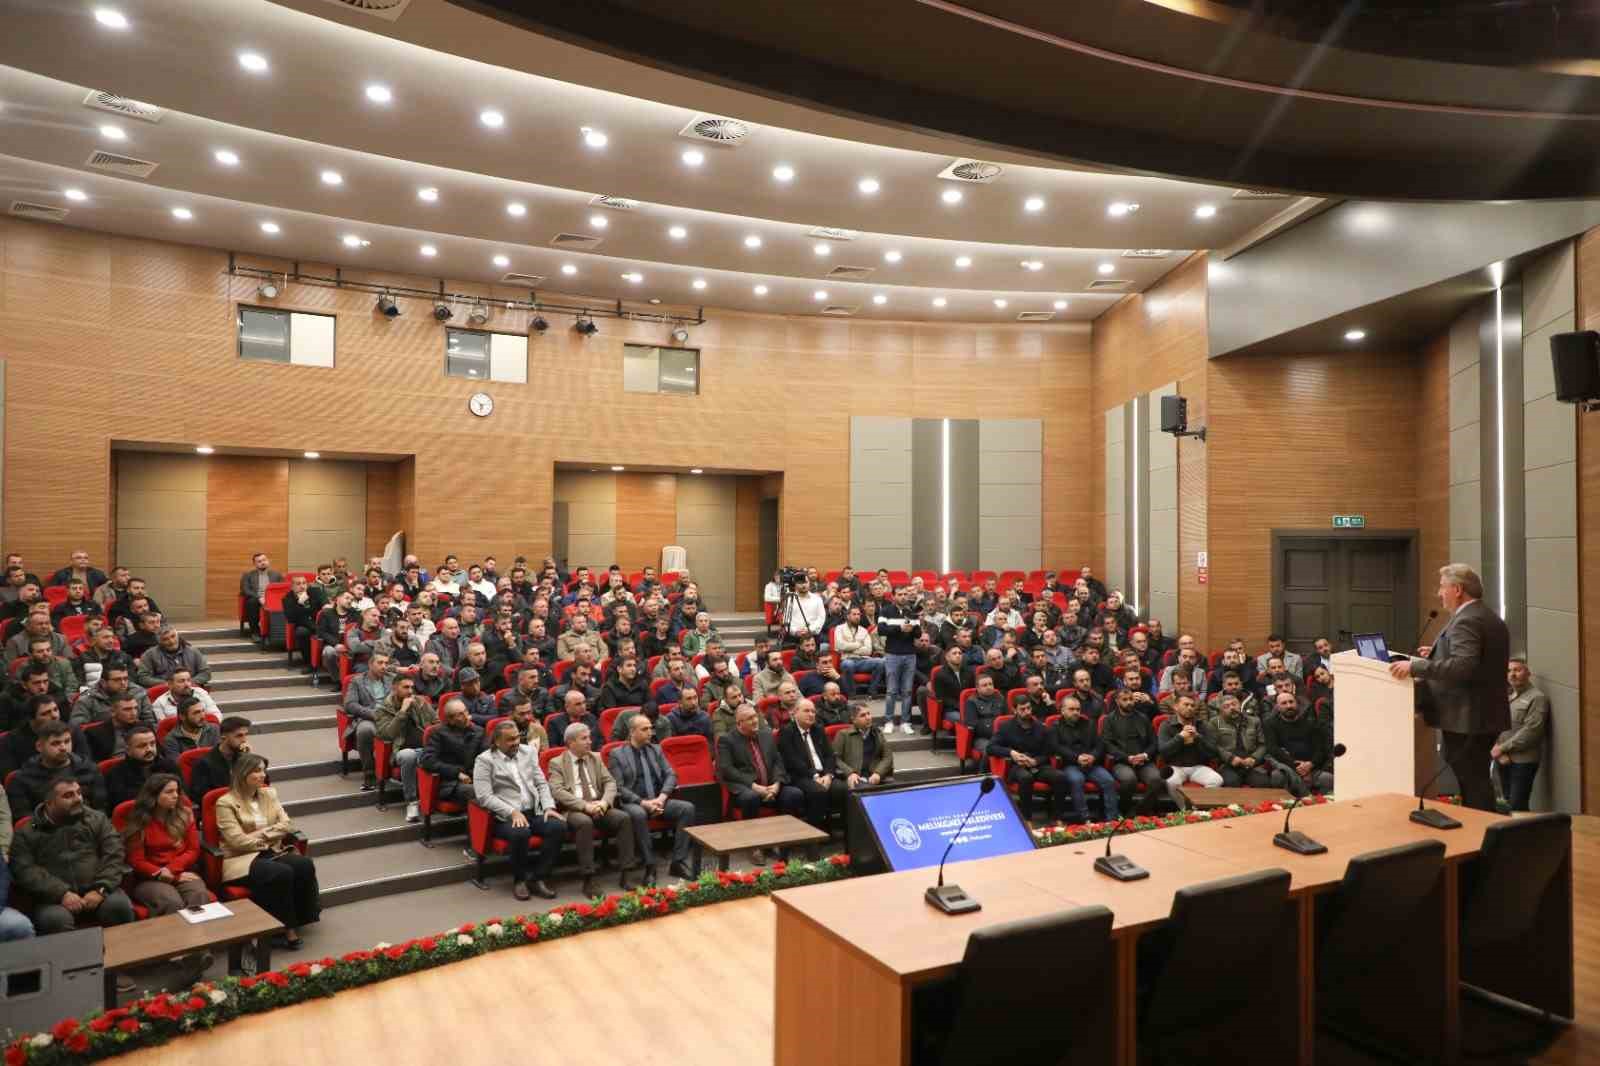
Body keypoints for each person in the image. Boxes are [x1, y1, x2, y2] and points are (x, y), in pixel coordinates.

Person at [1389, 564, 1511, 812]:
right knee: (1474, 779)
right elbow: (1477, 661)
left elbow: (1464, 666)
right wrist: (1436, 654)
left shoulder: (1467, 620)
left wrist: (1416, 666)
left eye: (1442, 587)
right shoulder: (1486, 615)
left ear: (1457, 589)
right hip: (1482, 714)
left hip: (1468, 717)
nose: (1439, 593)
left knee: (1473, 782)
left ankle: (1482, 832)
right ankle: (1481, 829)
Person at [214, 754, 319, 948]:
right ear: (242, 773)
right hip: (241, 858)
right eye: (257, 771)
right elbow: (237, 841)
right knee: (280, 872)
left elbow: (287, 825)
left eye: (263, 770)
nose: (262, 775)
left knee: (303, 864)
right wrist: (269, 836)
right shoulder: (225, 802)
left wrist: (258, 834)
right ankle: (284, 929)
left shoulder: (269, 794)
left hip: (271, 851)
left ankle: (301, 918)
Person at [10, 778, 134, 934]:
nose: (78, 799)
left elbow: (115, 854)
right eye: (68, 795)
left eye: (79, 793)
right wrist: (61, 893)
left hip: (99, 888)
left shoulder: (97, 819)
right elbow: (25, 870)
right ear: (49, 803)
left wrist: (100, 889)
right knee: (55, 920)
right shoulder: (27, 833)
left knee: (118, 906)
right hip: (53, 899)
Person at [473, 721, 567, 900]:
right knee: (520, 832)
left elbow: (541, 782)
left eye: (517, 737)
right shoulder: (485, 760)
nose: (516, 742)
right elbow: (484, 797)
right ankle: (520, 880)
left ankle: (539, 877)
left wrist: (548, 806)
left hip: (534, 811)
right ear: (497, 742)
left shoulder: (528, 752)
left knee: (558, 827)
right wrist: (512, 812)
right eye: (510, 739)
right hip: (505, 817)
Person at [547, 722, 636, 896]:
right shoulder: (557, 762)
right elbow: (557, 791)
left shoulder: (595, 757)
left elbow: (610, 782)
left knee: (623, 818)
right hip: (574, 809)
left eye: (589, 737)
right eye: (584, 738)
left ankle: (626, 873)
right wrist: (584, 806)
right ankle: (588, 878)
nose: (590, 741)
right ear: (571, 742)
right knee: (584, 822)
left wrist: (604, 803)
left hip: (598, 805)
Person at [609, 713, 699, 882]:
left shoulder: (656, 749)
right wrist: (643, 803)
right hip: (634, 802)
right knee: (639, 814)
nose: (650, 732)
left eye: (651, 728)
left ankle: (678, 862)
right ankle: (650, 864)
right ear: (632, 732)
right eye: (645, 729)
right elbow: (618, 787)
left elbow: (671, 774)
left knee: (687, 808)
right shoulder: (617, 754)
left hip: (658, 799)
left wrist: (662, 798)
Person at [716, 704, 803, 863]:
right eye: (750, 719)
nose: (755, 720)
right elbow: (727, 770)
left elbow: (777, 761)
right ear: (739, 723)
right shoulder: (727, 740)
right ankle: (754, 845)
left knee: (794, 794)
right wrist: (754, 786)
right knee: (751, 797)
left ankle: (782, 842)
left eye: (755, 716)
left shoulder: (766, 735)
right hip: (745, 788)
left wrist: (776, 784)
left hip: (770, 786)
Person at [120, 773, 208, 916]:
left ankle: (199, 930)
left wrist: (172, 871)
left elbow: (192, 850)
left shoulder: (184, 814)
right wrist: (162, 873)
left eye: (177, 791)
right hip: (150, 878)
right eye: (169, 792)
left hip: (180, 871)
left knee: (198, 894)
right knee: (172, 902)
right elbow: (137, 861)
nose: (176, 796)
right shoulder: (139, 821)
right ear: (153, 796)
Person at [989, 696, 1068, 823]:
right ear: (1014, 710)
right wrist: (1011, 753)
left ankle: (1057, 817)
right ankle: (1027, 819)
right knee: (1026, 778)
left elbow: (1049, 752)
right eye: (1023, 709)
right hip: (1016, 766)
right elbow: (991, 748)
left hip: (1038, 765)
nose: (1027, 712)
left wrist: (1036, 761)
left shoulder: (1041, 727)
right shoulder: (1006, 727)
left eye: (1029, 708)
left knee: (1060, 777)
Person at [776, 699, 848, 837]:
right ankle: (814, 835)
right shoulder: (786, 732)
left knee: (843, 788)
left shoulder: (818, 729)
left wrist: (828, 775)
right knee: (818, 791)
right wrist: (814, 776)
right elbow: (791, 760)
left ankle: (842, 832)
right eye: (806, 711)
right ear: (795, 713)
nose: (811, 714)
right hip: (801, 775)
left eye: (813, 711)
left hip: (823, 775)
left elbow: (829, 755)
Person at [375, 675, 438, 823]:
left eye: (412, 687)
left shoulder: (420, 702)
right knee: (409, 755)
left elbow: (437, 722)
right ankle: (412, 802)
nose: (410, 691)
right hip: (401, 752)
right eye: (406, 687)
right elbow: (387, 734)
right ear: (394, 688)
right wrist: (402, 711)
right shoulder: (382, 709)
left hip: (425, 748)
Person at [7, 721, 107, 814]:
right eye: (55, 743)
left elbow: (101, 809)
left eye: (67, 741)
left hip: (88, 823)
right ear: (39, 746)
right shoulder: (22, 779)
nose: (63, 747)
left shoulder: (90, 769)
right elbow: (24, 819)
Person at [1049, 694, 1118, 823]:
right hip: (1070, 764)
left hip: (1091, 764)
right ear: (1062, 710)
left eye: (1078, 709)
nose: (1076, 712)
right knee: (1077, 779)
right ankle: (1085, 818)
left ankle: (1112, 819)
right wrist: (1077, 758)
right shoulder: (1055, 726)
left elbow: (1100, 745)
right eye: (1071, 709)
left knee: (1108, 780)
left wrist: (1093, 756)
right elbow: (1056, 748)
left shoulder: (1088, 724)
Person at [1494, 657, 1548, 812]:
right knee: (1506, 804)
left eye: (1517, 670)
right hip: (1502, 758)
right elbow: (1496, 724)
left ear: (1528, 673)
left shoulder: (1537, 698)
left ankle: (1525, 829)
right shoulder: (1508, 695)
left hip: (1523, 761)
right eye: (1509, 671)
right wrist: (1497, 749)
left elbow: (1532, 731)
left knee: (1517, 805)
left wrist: (1502, 748)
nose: (1512, 674)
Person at [1102, 688, 1162, 815]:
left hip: (1144, 761)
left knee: (1156, 779)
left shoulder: (1143, 718)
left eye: (1130, 699)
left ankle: (1140, 811)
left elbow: (1154, 742)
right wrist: (1127, 758)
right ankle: (1125, 811)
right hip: (1122, 761)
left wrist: (1145, 755)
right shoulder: (1109, 719)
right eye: (1125, 700)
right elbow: (1107, 744)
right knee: (1129, 780)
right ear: (1117, 701)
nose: (1129, 702)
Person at [1263, 690, 1333, 797]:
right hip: (1288, 767)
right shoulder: (1270, 724)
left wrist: (1310, 764)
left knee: (1328, 779)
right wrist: (1297, 766)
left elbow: (1320, 749)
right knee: (1277, 776)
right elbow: (1273, 749)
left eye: (1291, 702)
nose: (1289, 706)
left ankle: (1321, 805)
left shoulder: (1311, 723)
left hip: (1312, 768)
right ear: (1277, 707)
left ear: (1297, 704)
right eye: (1284, 703)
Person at [421, 698, 487, 810]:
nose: (466, 716)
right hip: (450, 783)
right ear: (450, 720)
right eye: (460, 714)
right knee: (479, 793)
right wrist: (457, 773)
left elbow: (486, 757)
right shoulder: (437, 733)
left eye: (466, 711)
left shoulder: (478, 731)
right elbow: (428, 761)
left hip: (475, 778)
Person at [1157, 696, 1222, 805]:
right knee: (1172, 782)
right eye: (1186, 705)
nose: (1190, 708)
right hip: (1175, 766)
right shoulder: (1166, 725)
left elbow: (1213, 752)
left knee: (1216, 780)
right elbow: (1163, 751)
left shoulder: (1203, 725)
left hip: (1198, 766)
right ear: (1176, 707)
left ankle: (1200, 807)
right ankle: (1185, 810)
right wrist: (1180, 737)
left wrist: (1198, 737)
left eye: (1192, 705)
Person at [343, 652, 393, 791]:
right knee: (365, 730)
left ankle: (395, 773)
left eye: (386, 663)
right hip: (368, 718)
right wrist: (372, 714)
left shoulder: (392, 679)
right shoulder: (357, 681)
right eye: (380, 663)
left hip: (390, 717)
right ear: (370, 664)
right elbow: (350, 704)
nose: (384, 666)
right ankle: (370, 775)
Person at [1210, 695, 1283, 789]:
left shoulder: (1254, 721)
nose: (1232, 708)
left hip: (1251, 763)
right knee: (1231, 782)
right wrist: (1230, 758)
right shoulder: (1214, 722)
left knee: (1263, 784)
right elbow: (1213, 745)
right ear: (1221, 710)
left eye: (1234, 704)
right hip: (1228, 764)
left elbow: (1263, 744)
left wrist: (1254, 758)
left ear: (1240, 705)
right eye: (1226, 706)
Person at [878, 585, 922, 735]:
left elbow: (918, 633)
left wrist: (912, 629)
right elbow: (881, 630)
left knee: (907, 691)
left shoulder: (912, 612)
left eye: (905, 594)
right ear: (893, 596)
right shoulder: (886, 611)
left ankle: (905, 722)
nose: (903, 597)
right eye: (900, 594)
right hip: (893, 654)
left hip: (910, 654)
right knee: (891, 691)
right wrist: (899, 629)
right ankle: (888, 721)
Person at [104, 725, 181, 809]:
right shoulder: (116, 774)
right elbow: (122, 805)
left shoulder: (169, 766)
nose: (149, 749)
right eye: (142, 746)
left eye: (152, 744)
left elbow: (182, 794)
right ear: (128, 750)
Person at [187, 715, 254, 805]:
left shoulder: (244, 758)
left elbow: (263, 783)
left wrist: (250, 760)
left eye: (246, 735)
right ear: (223, 736)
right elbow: (200, 797)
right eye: (239, 736)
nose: (244, 740)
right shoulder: (204, 763)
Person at [833, 703, 893, 787]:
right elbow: (835, 759)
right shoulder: (843, 735)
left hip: (875, 777)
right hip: (856, 778)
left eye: (868, 713)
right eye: (863, 715)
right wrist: (850, 773)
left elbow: (887, 756)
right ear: (854, 720)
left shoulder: (877, 733)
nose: (868, 718)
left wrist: (878, 773)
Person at [135, 625, 212, 688]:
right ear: (159, 642)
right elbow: (143, 677)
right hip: (163, 691)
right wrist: (168, 684)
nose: (171, 641)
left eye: (173, 636)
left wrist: (187, 682)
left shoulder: (193, 651)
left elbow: (205, 672)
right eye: (165, 639)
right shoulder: (149, 654)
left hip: (190, 689)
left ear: (178, 636)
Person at [831, 607, 883, 697]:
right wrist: (859, 644)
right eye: (854, 614)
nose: (857, 617)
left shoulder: (864, 630)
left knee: (881, 662)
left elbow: (868, 650)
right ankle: (851, 694)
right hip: (847, 659)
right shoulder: (839, 628)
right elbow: (840, 645)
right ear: (848, 616)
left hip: (863, 660)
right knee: (848, 665)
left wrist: (850, 648)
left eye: (858, 614)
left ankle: (872, 691)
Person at [961, 673, 1006, 771]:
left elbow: (1007, 718)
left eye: (990, 684)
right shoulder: (971, 701)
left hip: (1001, 735)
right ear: (977, 688)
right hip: (981, 738)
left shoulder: (1000, 698)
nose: (989, 687)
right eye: (984, 685)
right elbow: (973, 725)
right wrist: (994, 733)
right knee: (990, 748)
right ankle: (982, 774)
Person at [239, 553, 284, 640]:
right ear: (255, 564)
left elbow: (282, 588)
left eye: (264, 560)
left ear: (268, 561)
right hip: (257, 599)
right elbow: (245, 590)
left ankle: (277, 631)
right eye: (259, 561)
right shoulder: (248, 575)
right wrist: (259, 597)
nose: (263, 563)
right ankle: (255, 632)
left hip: (272, 599)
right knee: (251, 602)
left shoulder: (276, 574)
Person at [161, 695, 221, 759]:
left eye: (203, 711)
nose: (202, 716)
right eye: (196, 713)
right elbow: (177, 764)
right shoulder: (171, 740)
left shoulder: (214, 730)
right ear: (182, 717)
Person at [149, 668, 221, 721]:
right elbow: (163, 728)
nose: (187, 684)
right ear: (170, 684)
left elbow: (217, 716)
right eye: (181, 681)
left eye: (188, 680)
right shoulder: (160, 703)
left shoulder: (201, 693)